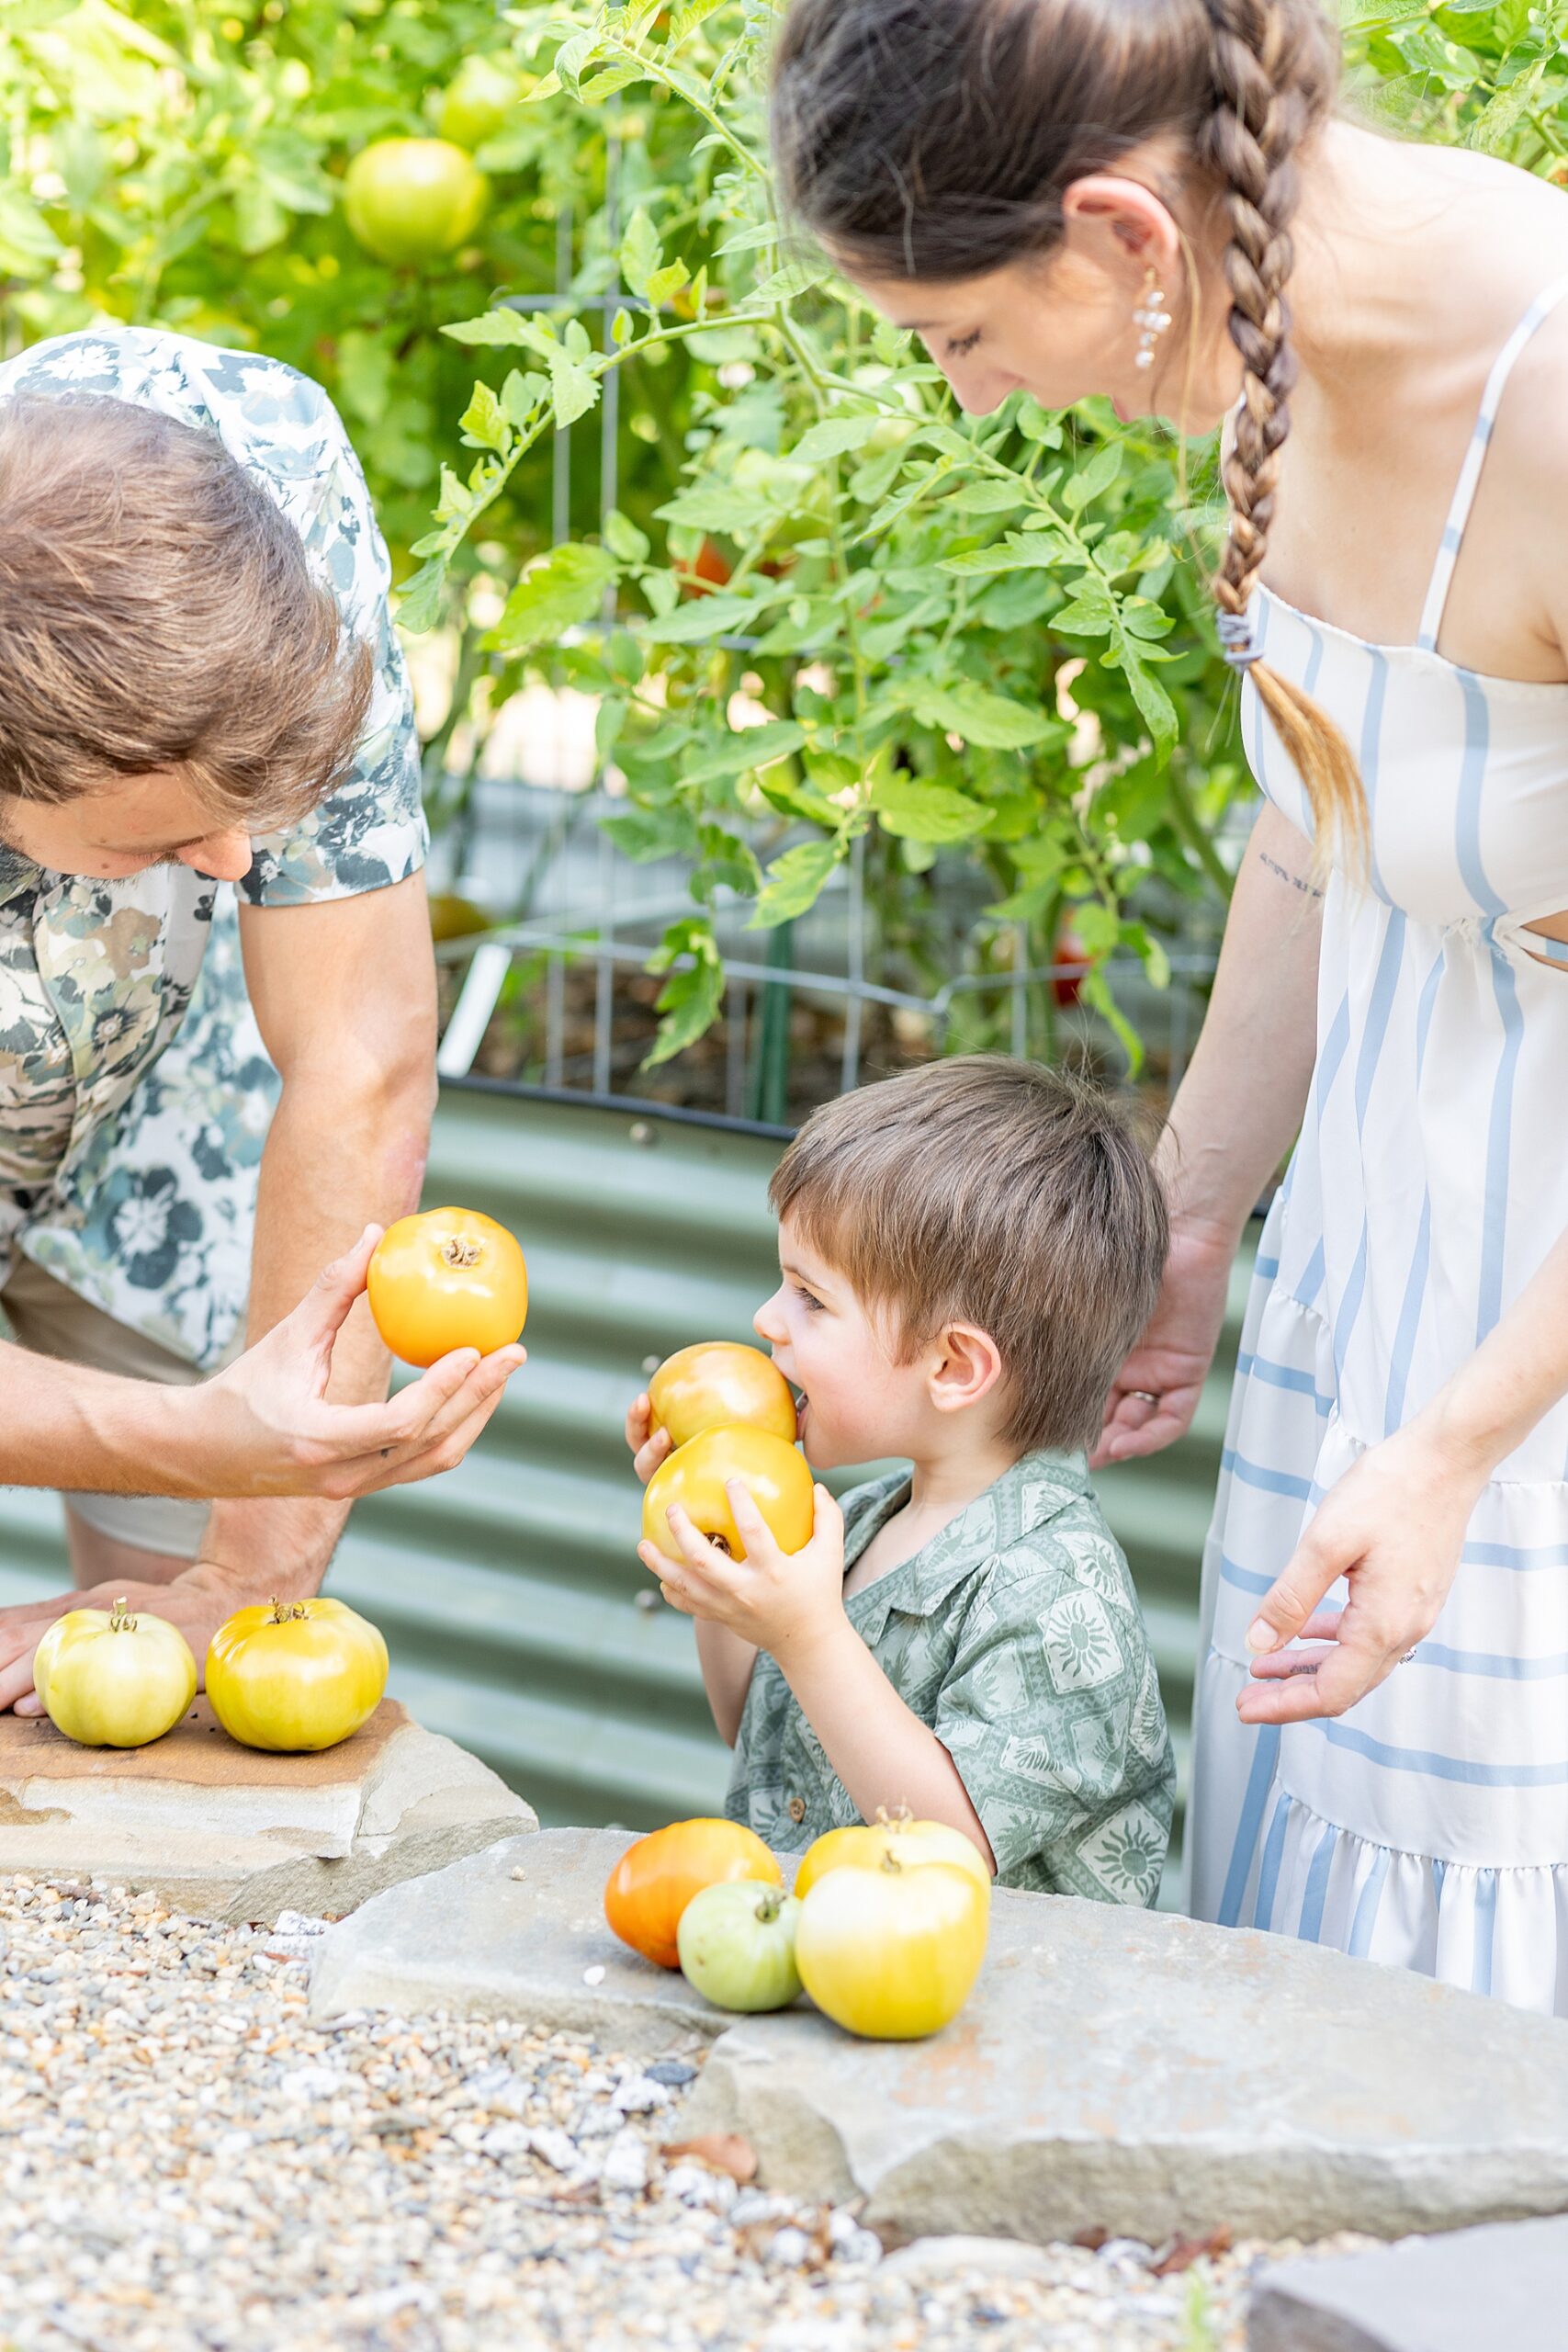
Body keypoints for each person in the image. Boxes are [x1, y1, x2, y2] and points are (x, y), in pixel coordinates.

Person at [771, 0, 1568, 2007]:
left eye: (958, 336)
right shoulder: (1264, 347)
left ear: (1124, 233)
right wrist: (1195, 1209)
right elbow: (1325, 815)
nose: (963, 402)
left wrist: (1462, 1442)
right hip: (1372, 1284)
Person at [0, 324, 520, 1716]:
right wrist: (195, 1436)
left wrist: (248, 1559)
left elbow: (357, 1048)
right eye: (165, 841)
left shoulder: (270, 474)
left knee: (175, 1679)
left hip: (166, 1111)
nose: (240, 868)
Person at [628, 1058, 1176, 1901]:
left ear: (954, 1365)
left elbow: (947, 1849)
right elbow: (757, 1733)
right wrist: (723, 1553)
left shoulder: (1057, 1592)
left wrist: (808, 1634)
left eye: (811, 1299)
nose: (766, 1320)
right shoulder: (861, 1520)